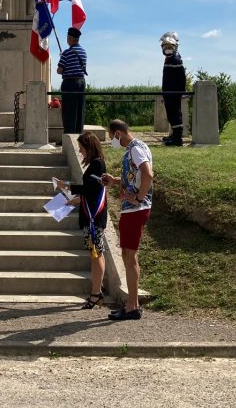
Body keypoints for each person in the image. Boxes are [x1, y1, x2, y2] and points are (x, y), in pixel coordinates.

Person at [100, 119, 153, 321]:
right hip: (133, 208)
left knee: (129, 258)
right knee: (128, 256)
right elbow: (136, 175)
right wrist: (114, 181)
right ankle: (133, 303)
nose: (112, 141)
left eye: (111, 136)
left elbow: (148, 174)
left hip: (135, 209)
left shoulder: (135, 149)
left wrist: (139, 197)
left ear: (117, 134)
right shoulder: (136, 147)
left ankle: (131, 306)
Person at [54, 131, 108, 309]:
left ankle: (96, 293)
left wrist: (67, 186)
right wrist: (75, 199)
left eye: (82, 148)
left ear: (89, 147)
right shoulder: (94, 164)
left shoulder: (98, 165)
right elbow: (91, 191)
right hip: (90, 214)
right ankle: (96, 291)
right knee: (95, 254)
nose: (80, 152)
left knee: (96, 254)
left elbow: (90, 188)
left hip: (94, 217)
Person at [56, 27, 87, 136]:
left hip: (70, 83)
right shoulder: (83, 52)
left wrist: (62, 58)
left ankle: (68, 136)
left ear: (70, 38)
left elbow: (59, 71)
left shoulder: (66, 53)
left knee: (68, 111)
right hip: (81, 83)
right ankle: (78, 135)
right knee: (79, 110)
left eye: (68, 38)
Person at [160, 31, 187, 146]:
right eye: (165, 46)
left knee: (175, 114)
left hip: (173, 92)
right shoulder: (170, 59)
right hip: (169, 92)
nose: (167, 48)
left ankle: (177, 139)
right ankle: (174, 135)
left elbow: (181, 77)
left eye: (170, 46)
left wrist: (180, 91)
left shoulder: (176, 59)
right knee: (171, 114)